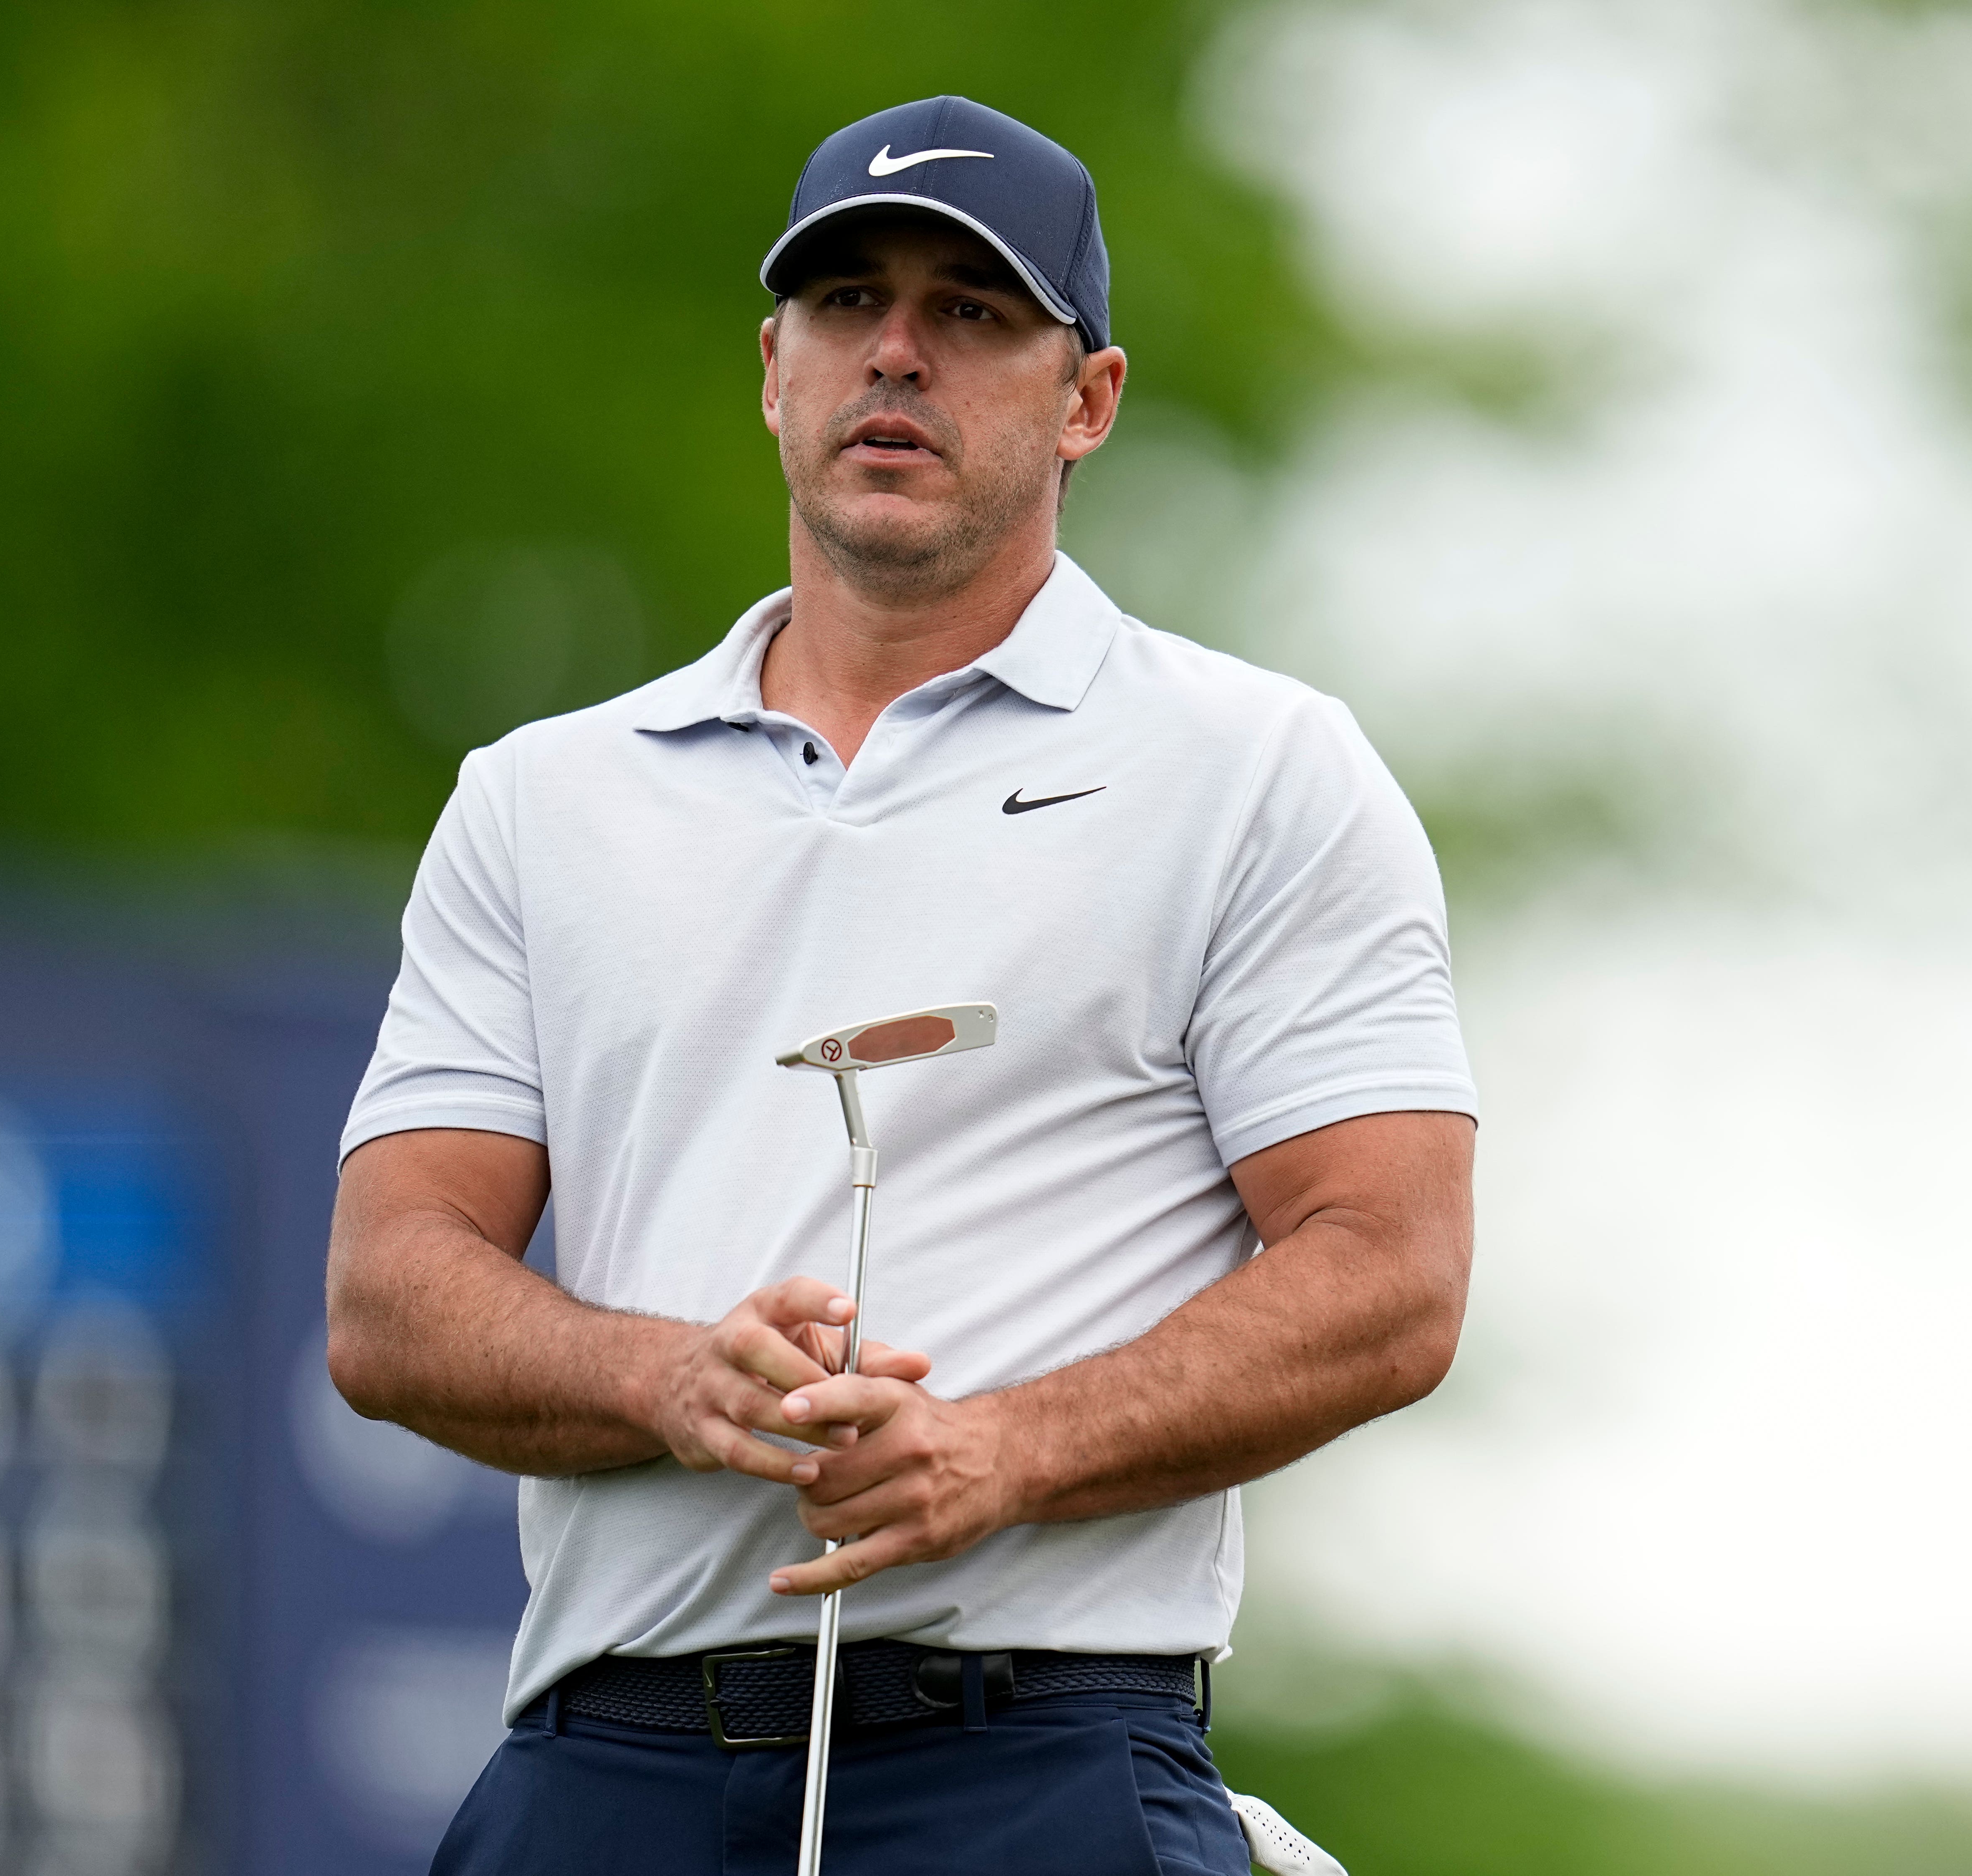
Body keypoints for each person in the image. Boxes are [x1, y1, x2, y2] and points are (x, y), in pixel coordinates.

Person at [324, 94, 1477, 1876]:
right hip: (601, 1768)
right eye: (847, 300)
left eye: (972, 311)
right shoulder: (544, 796)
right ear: (772, 366)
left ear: (1086, 397)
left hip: (1043, 1765)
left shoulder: (1257, 767)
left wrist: (1004, 1448)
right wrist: (667, 1381)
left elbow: (1389, 1270)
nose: (897, 353)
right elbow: (391, 1291)